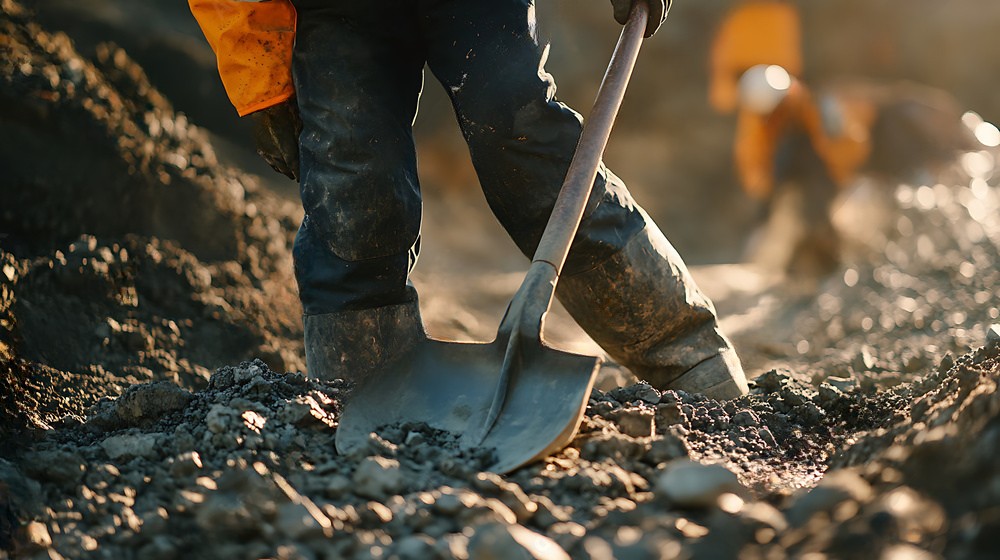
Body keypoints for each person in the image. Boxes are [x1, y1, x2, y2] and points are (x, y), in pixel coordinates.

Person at [188, 0, 749, 399]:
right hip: (335, 11)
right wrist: (256, 68)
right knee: (354, 184)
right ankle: (360, 390)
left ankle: (685, 352)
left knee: (519, 133)